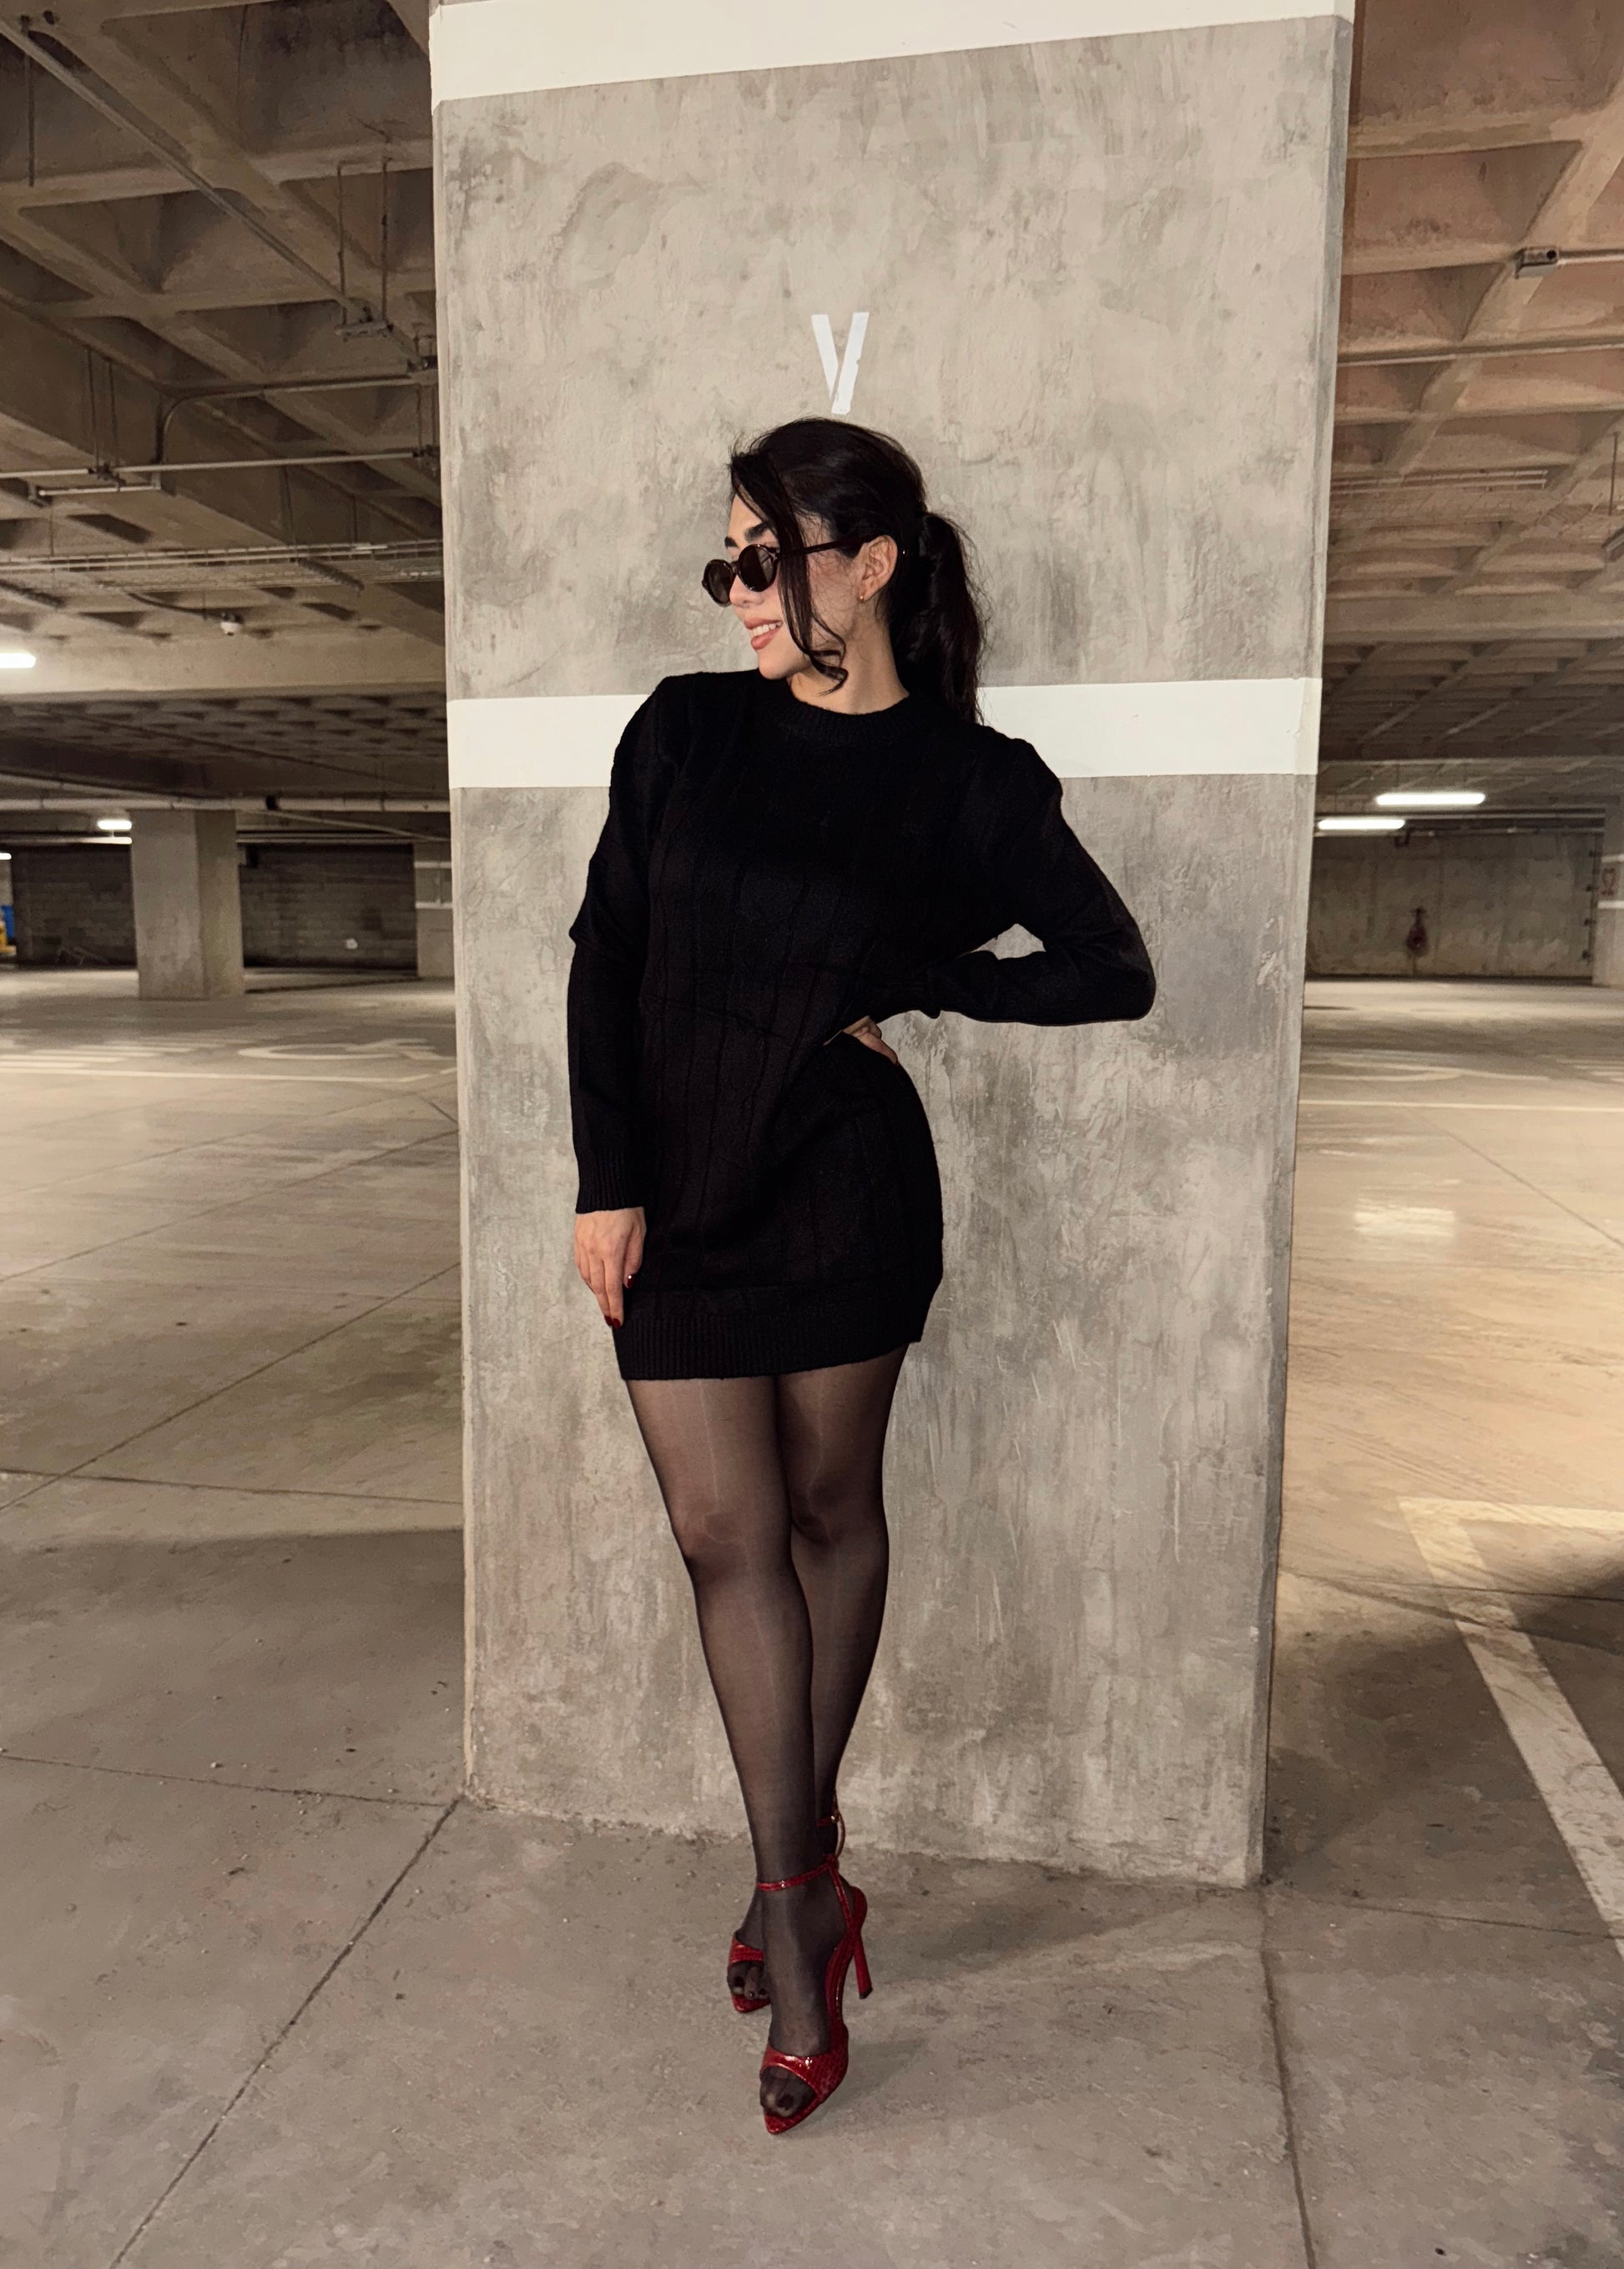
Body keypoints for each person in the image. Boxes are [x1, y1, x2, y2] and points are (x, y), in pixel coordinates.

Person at [567, 418, 1155, 2134]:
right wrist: (607, 1179)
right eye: (728, 563)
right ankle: (807, 1886)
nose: (739, 591)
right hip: (677, 1196)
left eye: (766, 558)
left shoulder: (969, 777)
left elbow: (1110, 966)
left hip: (842, 1188)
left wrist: (917, 975)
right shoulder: (683, 729)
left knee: (831, 1516)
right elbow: (607, 952)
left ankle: (791, 1903)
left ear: (870, 562)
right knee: (721, 1537)